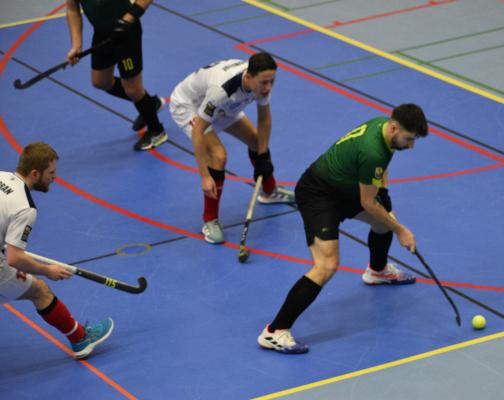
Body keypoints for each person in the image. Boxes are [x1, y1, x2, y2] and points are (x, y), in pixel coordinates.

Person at [257, 104, 429, 354]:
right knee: (326, 265)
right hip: (318, 195)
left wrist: (386, 199)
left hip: (344, 188)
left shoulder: (383, 129)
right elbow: (367, 202)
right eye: (409, 139)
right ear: (394, 128)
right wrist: (401, 230)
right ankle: (274, 331)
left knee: (383, 222)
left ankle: (377, 271)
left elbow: (380, 172)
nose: (411, 146)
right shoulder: (373, 151)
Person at [1, 142, 113, 359]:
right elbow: (14, 258)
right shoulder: (25, 207)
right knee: (40, 291)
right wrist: (47, 270)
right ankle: (81, 339)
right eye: (51, 173)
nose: (55, 177)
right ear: (35, 174)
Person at [169, 52, 295, 244]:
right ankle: (210, 220)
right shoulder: (222, 91)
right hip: (190, 106)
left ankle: (269, 191)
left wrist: (262, 157)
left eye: (272, 81)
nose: (268, 87)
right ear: (249, 77)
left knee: (257, 142)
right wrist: (205, 176)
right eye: (264, 82)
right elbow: (198, 132)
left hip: (224, 106)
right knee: (218, 155)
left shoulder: (260, 81)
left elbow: (264, 118)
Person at [65, 0, 167, 151]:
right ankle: (150, 104)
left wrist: (127, 20)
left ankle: (157, 131)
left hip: (126, 32)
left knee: (132, 89)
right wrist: (76, 45)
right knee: (101, 82)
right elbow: (72, 10)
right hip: (102, 34)